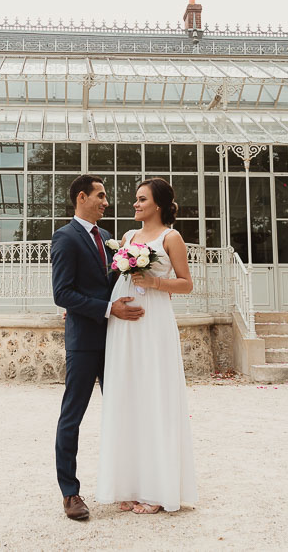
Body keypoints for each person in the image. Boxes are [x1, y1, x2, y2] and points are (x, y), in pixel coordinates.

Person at [96, 177, 198, 514]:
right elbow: (116, 277)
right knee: (127, 395)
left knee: (154, 395)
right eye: (136, 199)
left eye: (142, 199)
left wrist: (154, 282)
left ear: (158, 204)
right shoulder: (127, 237)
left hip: (153, 321)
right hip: (123, 324)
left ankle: (157, 490)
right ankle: (128, 483)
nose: (136, 204)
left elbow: (186, 284)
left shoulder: (172, 238)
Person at [51, 175, 144, 521]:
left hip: (117, 340)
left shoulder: (106, 238)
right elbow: (62, 294)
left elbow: (108, 283)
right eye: (100, 195)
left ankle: (128, 482)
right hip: (85, 343)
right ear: (81, 198)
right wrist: (109, 309)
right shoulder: (64, 237)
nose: (106, 202)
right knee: (72, 416)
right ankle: (70, 493)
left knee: (122, 410)